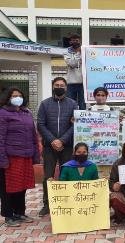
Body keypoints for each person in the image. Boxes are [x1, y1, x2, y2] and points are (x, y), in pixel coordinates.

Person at [37, 77, 77, 217]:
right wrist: (53, 140)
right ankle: (47, 204)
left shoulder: (73, 104)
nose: (59, 87)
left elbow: (75, 125)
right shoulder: (44, 104)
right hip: (49, 146)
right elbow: (40, 124)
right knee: (48, 176)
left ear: (66, 88)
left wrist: (63, 140)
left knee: (67, 174)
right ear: (53, 87)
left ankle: (66, 202)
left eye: (62, 85)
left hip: (67, 146)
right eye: (57, 85)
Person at [0, 87, 39, 227]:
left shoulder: (26, 112)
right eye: (14, 95)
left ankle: (20, 213)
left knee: (22, 186)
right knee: (8, 188)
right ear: (8, 98)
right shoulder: (3, 113)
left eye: (19, 95)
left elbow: (34, 135)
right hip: (11, 157)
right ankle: (8, 216)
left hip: (26, 156)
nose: (17, 97)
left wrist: (36, 154)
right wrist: (2, 159)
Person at [64, 33, 86, 110]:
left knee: (82, 104)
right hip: (71, 83)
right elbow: (71, 64)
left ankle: (83, 120)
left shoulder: (85, 50)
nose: (75, 42)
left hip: (83, 83)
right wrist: (79, 53)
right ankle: (70, 120)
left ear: (79, 41)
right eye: (73, 40)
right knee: (70, 104)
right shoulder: (67, 52)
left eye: (77, 40)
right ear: (70, 41)